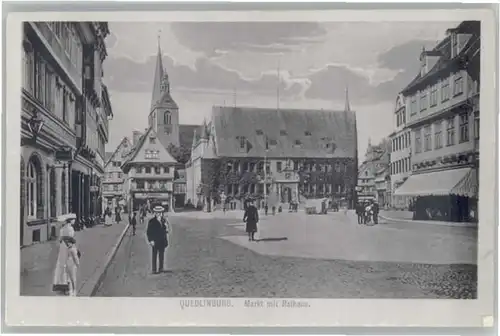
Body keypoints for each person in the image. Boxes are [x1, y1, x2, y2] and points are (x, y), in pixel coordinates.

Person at [52, 214, 80, 296]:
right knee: (70, 272)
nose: (74, 221)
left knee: (61, 267)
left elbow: (61, 238)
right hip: (69, 253)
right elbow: (71, 245)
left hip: (62, 251)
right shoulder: (70, 229)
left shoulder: (62, 229)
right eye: (73, 219)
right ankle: (71, 290)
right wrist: (77, 261)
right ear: (70, 220)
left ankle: (61, 286)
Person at [146, 206, 169, 274]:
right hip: (155, 241)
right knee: (154, 255)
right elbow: (149, 232)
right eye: (157, 213)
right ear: (155, 213)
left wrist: (166, 227)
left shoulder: (164, 220)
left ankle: (161, 268)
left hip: (162, 241)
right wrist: (151, 240)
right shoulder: (152, 221)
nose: (159, 214)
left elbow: (166, 230)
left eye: (160, 212)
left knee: (161, 255)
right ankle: (154, 269)